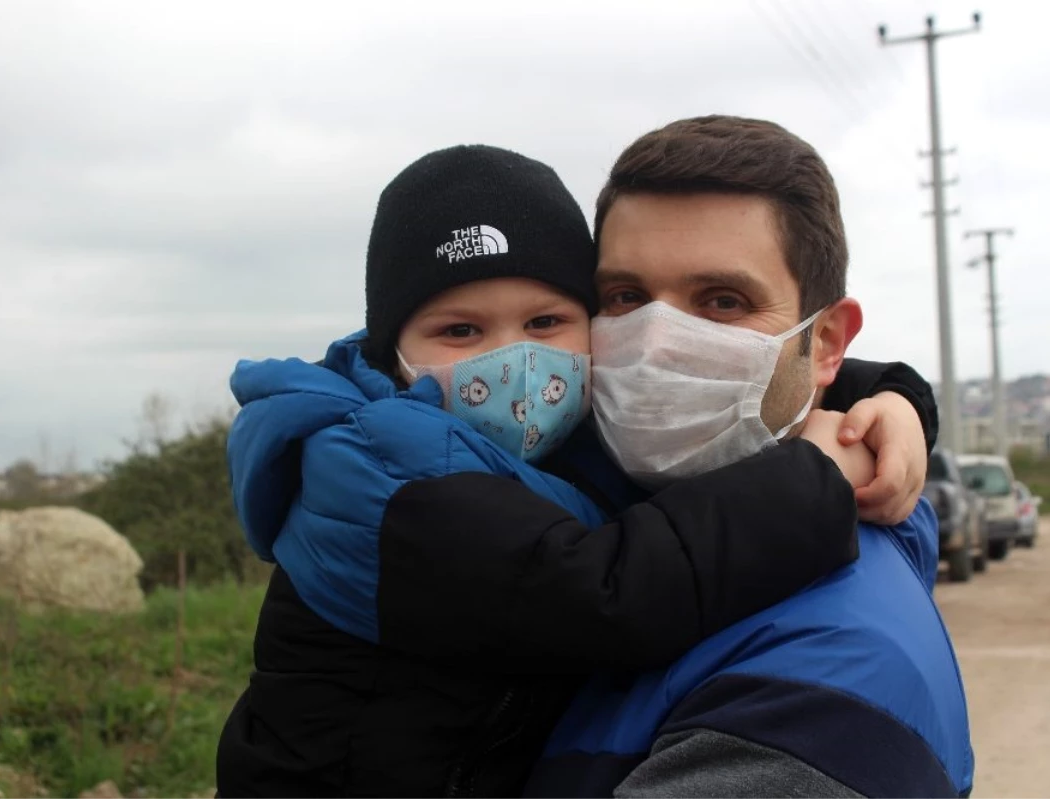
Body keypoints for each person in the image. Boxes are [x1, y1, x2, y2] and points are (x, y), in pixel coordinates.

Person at [216, 143, 938, 798]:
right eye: (460, 330)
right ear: (389, 351)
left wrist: (890, 401)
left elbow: (778, 366)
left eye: (546, 323)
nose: (516, 362)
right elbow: (610, 593)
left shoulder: (550, 432)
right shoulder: (385, 477)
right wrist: (815, 471)